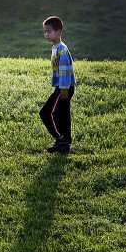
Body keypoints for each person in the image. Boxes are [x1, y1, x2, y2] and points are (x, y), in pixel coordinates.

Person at [40, 16, 76, 153]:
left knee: (46, 113)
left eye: (49, 31)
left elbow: (65, 70)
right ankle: (64, 143)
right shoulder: (56, 48)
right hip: (61, 87)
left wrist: (64, 89)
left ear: (59, 32)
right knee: (62, 114)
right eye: (45, 32)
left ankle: (60, 139)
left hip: (64, 87)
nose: (46, 34)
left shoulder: (62, 49)